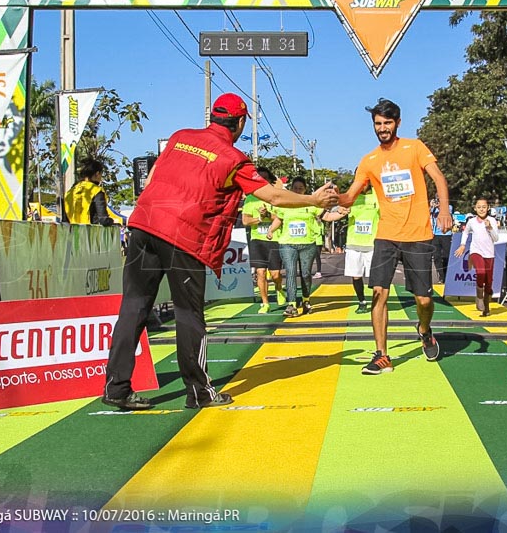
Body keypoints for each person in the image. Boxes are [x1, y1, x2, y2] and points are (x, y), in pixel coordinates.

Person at [102, 94, 338, 411]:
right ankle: (199, 391)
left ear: (212, 116)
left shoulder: (179, 137)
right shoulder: (233, 158)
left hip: (143, 225)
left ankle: (116, 388)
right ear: (240, 123)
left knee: (133, 307)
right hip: (183, 237)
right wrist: (313, 200)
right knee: (189, 315)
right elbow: (274, 197)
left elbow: (154, 175)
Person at [336, 98, 451, 375]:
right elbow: (350, 196)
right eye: (378, 123)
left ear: (397, 123)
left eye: (387, 123)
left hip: (418, 234)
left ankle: (424, 330)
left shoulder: (415, 147)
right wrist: (331, 197)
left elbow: (438, 177)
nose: (382, 128)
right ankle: (381, 355)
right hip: (386, 234)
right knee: (378, 293)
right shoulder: (369, 160)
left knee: (423, 299)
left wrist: (444, 211)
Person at [268, 176, 333, 317]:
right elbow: (279, 219)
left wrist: (340, 213)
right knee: (290, 272)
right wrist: (270, 230)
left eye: (300, 188)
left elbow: (326, 216)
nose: (298, 190)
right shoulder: (285, 203)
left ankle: (305, 300)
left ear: (305, 190)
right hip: (287, 244)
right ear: (291, 189)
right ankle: (291, 305)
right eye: (295, 188)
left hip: (307, 244)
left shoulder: (311, 204)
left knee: (305, 274)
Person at [240, 167, 285, 314]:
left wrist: (268, 215)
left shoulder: (275, 198)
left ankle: (279, 288)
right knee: (260, 272)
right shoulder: (250, 198)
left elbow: (281, 218)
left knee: (275, 274)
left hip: (274, 239)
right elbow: (246, 221)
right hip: (257, 241)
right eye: (260, 178)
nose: (262, 181)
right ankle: (265, 303)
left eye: (265, 179)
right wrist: (260, 218)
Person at [454, 197, 500, 316]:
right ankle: (479, 295)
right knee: (480, 272)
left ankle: (486, 307)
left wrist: (489, 227)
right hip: (476, 251)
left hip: (489, 253)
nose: (481, 209)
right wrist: (463, 245)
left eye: (484, 207)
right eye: (479, 207)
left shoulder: (492, 221)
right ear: (475, 209)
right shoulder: (472, 221)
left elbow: (496, 238)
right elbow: (465, 232)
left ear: (488, 208)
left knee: (489, 282)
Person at [342, 184, 379, 313]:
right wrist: (340, 210)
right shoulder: (351, 196)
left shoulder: (377, 195)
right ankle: (362, 301)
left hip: (373, 245)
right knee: (356, 276)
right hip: (353, 244)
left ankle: (378, 304)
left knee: (376, 279)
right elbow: (338, 207)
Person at [63, 159, 115, 226]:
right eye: (101, 174)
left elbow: (65, 219)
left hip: (72, 233)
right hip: (90, 233)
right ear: (97, 173)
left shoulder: (70, 192)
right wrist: (111, 221)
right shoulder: (96, 190)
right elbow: (103, 219)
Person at [430, 198, 454, 284]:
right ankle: (441, 275)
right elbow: (427, 213)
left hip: (446, 234)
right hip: (435, 235)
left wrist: (439, 206)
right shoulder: (434, 209)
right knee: (436, 256)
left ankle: (447, 273)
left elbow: (448, 212)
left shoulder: (449, 207)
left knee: (446, 256)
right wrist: (431, 206)